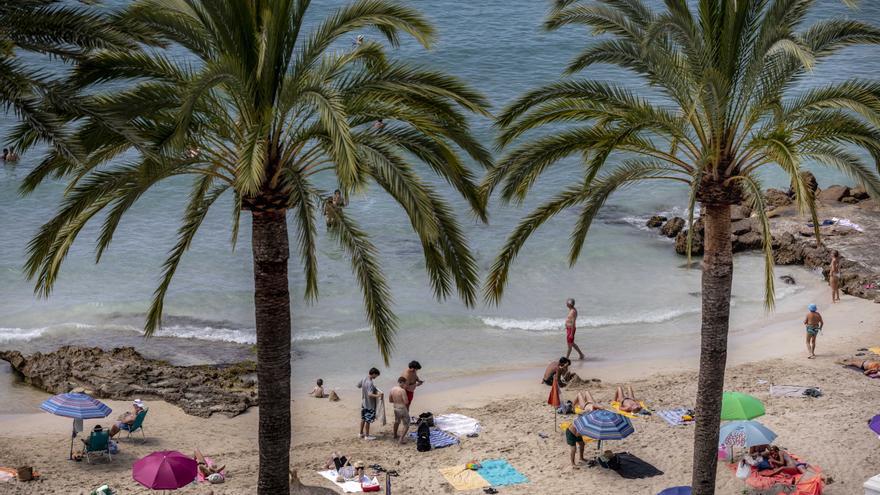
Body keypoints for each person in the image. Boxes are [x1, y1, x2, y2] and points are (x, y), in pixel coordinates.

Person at [358, 368, 383, 440]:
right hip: (369, 404)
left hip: (364, 402)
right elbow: (370, 394)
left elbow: (359, 386)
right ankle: (367, 436)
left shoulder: (364, 378)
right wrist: (378, 395)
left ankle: (361, 433)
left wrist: (369, 388)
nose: (376, 377)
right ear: (374, 374)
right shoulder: (370, 382)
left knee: (363, 418)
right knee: (368, 420)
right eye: (376, 375)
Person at [389, 376, 410, 444]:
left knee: (397, 421)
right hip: (402, 408)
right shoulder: (402, 390)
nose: (405, 385)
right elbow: (406, 402)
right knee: (406, 424)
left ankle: (395, 435)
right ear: (402, 383)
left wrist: (397, 400)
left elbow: (390, 400)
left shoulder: (392, 389)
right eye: (405, 384)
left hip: (395, 408)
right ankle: (401, 439)